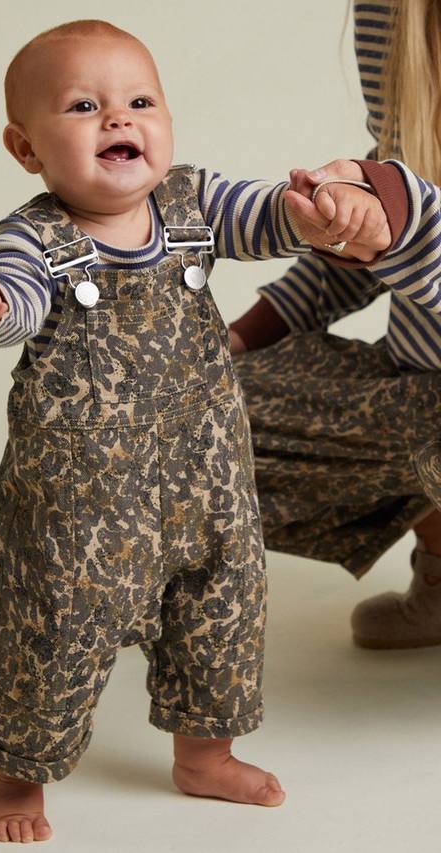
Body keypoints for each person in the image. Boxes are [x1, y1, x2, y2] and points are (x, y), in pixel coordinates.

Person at [0, 20, 403, 843]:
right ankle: (18, 777)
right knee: (50, 633)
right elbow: (17, 303)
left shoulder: (194, 202)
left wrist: (311, 211)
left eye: (140, 102)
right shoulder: (35, 236)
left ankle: (205, 756)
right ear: (26, 147)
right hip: (79, 507)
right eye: (84, 106)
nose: (119, 118)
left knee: (220, 615)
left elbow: (264, 216)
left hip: (207, 482)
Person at [229, 0, 441, 650]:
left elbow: (400, 220)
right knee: (191, 403)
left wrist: (397, 223)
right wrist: (238, 338)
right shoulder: (389, 13)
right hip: (421, 391)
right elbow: (358, 255)